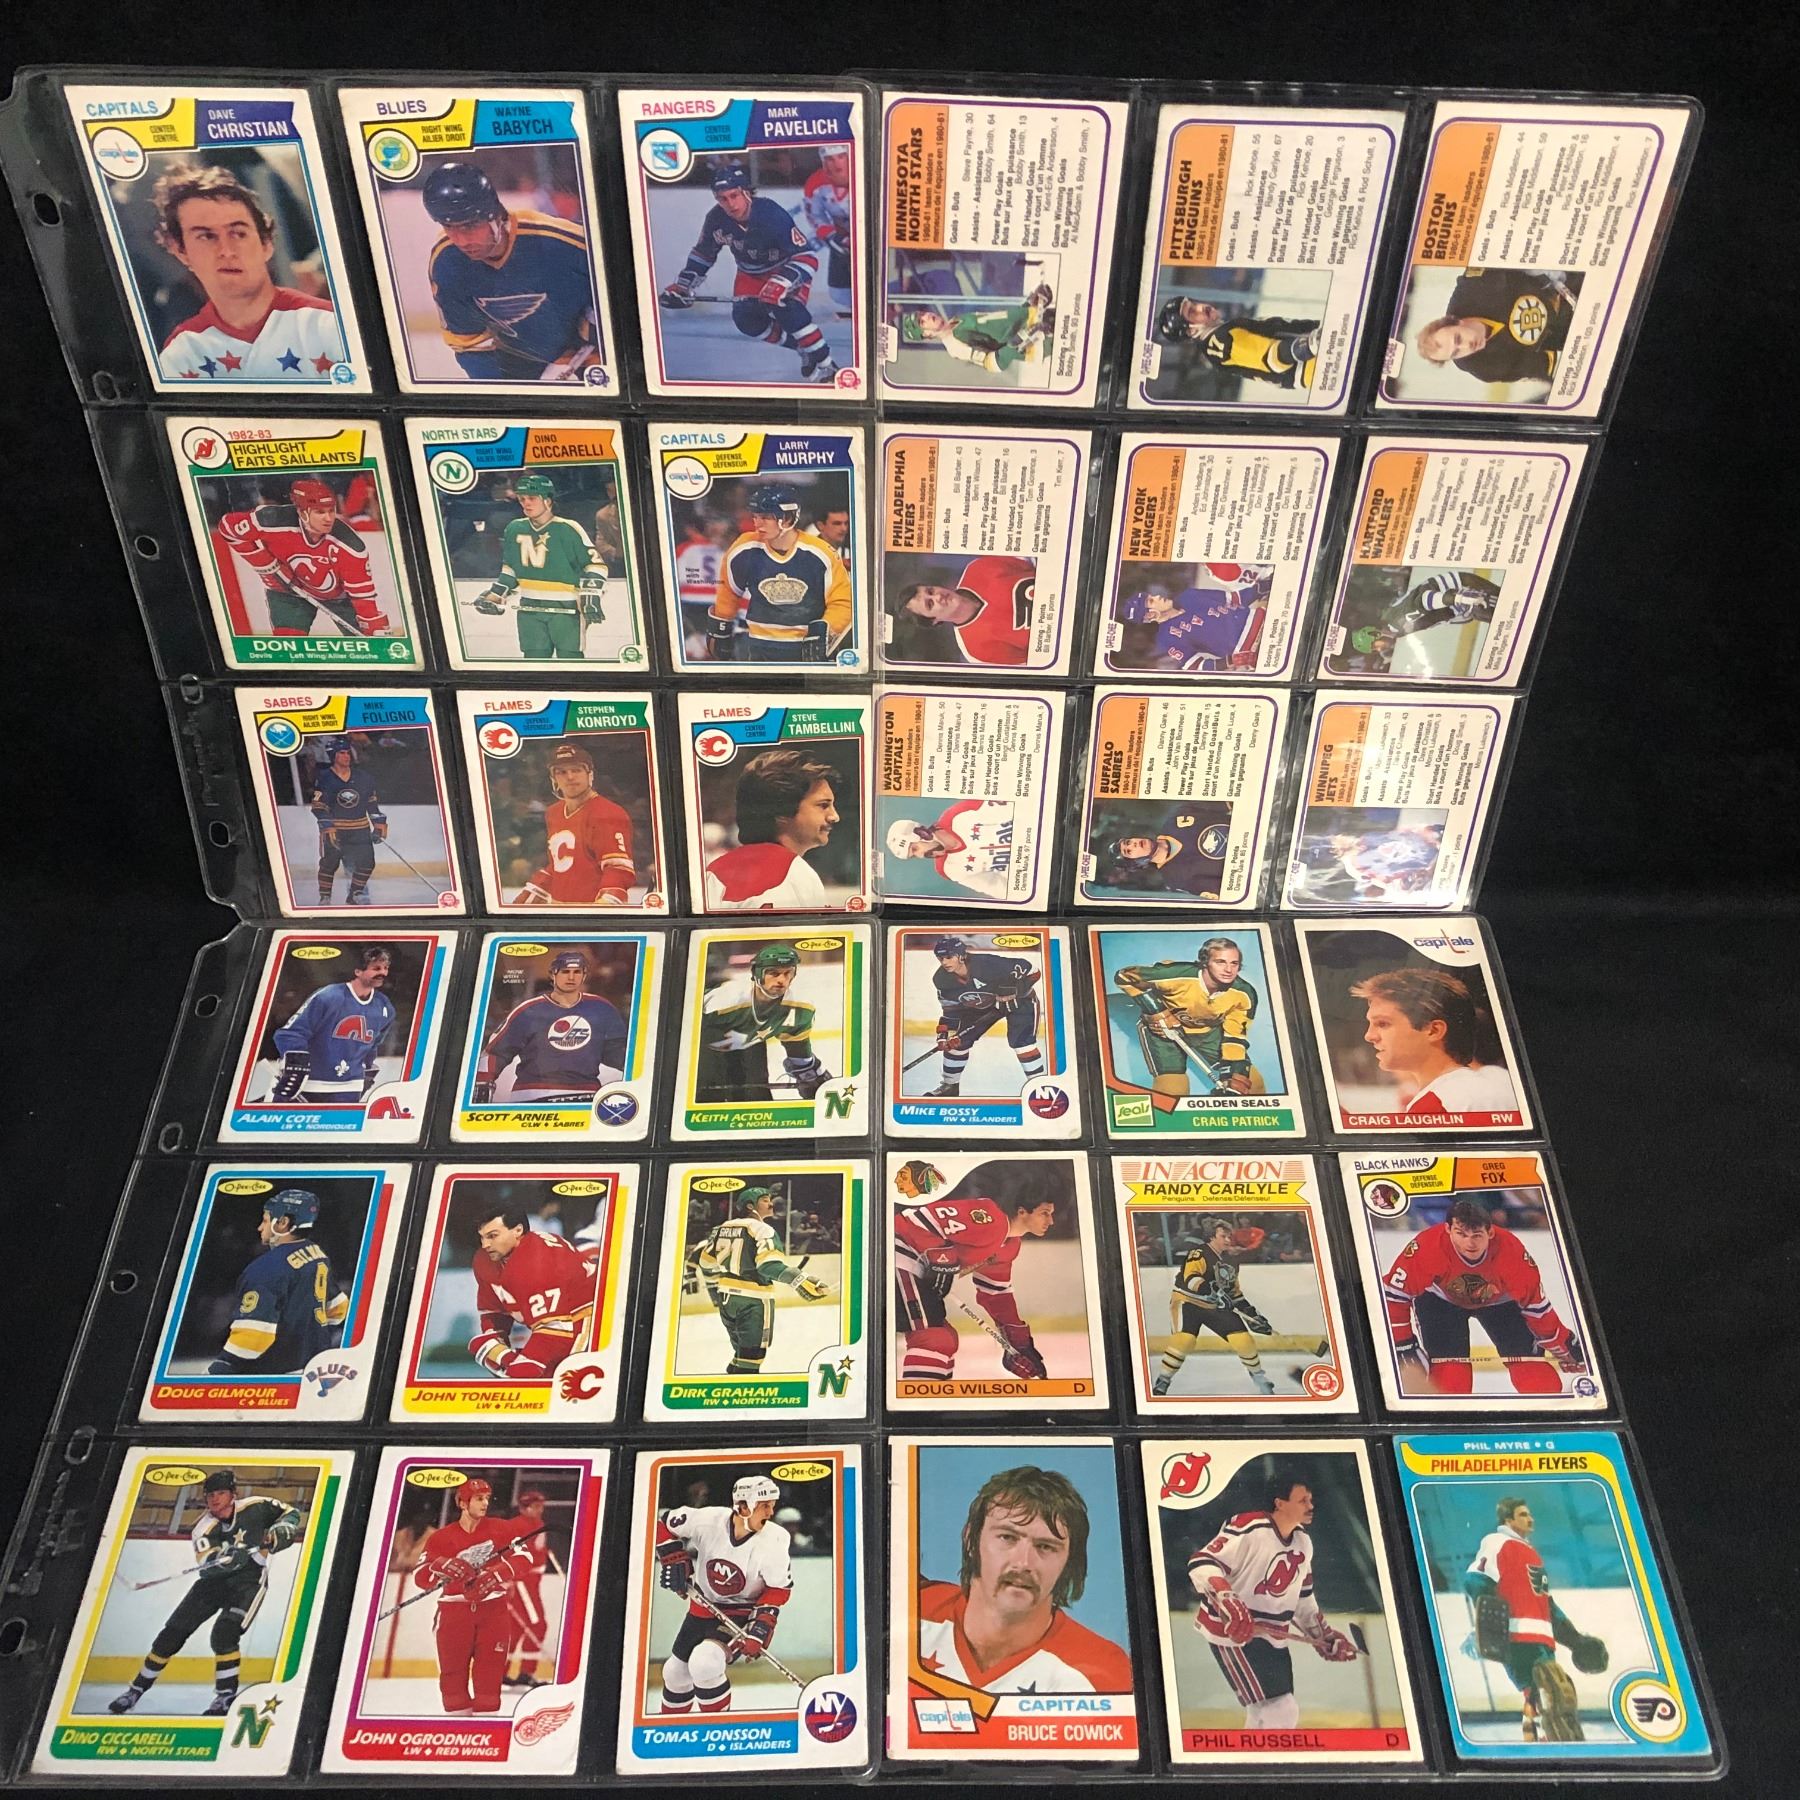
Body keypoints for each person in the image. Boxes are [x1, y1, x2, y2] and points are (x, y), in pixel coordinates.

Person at [916, 1465, 1131, 1694]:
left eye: (1045, 1546)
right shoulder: (910, 1611)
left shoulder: (1102, 1673)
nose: (1023, 1563)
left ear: (1069, 1562)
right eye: (1007, 1537)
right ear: (971, 1540)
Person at [108, 1471, 303, 1716]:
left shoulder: (256, 1506)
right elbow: (208, 1562)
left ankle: (225, 1697)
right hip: (212, 1583)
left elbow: (290, 1512)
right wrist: (226, 1558)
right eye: (210, 1495)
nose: (215, 1499)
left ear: (233, 1494)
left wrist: (284, 1528)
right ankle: (135, 1691)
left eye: (221, 1493)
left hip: (249, 1581)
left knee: (224, 1634)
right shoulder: (203, 1527)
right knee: (170, 1635)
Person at [1185, 1471, 1359, 1729]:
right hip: (1234, 1632)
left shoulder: (1303, 1542)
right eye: (1303, 1500)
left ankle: (1253, 1755)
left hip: (1272, 1636)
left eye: (1311, 1500)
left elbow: (1303, 1598)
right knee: (1279, 1710)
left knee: (1274, 1712)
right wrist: (1227, 1597)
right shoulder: (1250, 1527)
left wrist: (1323, 1635)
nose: (1311, 1506)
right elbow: (1202, 1562)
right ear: (1280, 1503)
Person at [149, 162, 344, 382]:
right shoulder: (183, 354)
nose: (226, 250)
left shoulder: (327, 326)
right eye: (206, 236)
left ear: (266, 244)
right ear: (181, 251)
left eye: (238, 233)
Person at [1382, 1197, 1585, 1395]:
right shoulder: (1428, 1247)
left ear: (1490, 1232)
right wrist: (1403, 1344)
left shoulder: (1510, 1251)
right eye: (1461, 1234)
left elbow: (1536, 1306)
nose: (1470, 1243)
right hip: (1440, 1302)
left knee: (1539, 1380)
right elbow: (1394, 1296)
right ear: (1447, 1229)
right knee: (1450, 1383)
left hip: (1501, 1303)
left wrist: (1562, 1344)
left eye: (1477, 1235)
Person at [421, 160, 598, 382]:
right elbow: (470, 345)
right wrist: (506, 392)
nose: (462, 241)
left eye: (470, 226)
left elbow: (621, 285)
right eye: (449, 227)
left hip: (588, 352)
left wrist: (601, 342)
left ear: (495, 215)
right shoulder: (447, 263)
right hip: (518, 359)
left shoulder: (564, 242)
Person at [659, 164, 838, 383]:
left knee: (787, 310)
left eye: (734, 195)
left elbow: (806, 256)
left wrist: (781, 282)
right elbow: (703, 254)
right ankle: (803, 348)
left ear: (746, 192)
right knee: (746, 320)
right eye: (722, 198)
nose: (730, 204)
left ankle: (828, 366)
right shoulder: (716, 219)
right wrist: (683, 285)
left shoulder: (770, 213)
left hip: (783, 268)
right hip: (749, 274)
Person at [1464, 1496, 1608, 1740]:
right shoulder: (1497, 1542)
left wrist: (1574, 1639)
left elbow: (1546, 1603)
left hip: (1543, 1640)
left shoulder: (1531, 1553)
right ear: (1508, 1520)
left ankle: (1540, 1742)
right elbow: (1475, 1579)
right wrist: (1487, 1624)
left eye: (1530, 1514)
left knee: (1555, 1695)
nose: (1530, 1519)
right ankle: (1544, 1742)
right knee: (1547, 1695)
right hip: (1517, 1637)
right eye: (1523, 1514)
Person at [892, 1175, 1053, 1385]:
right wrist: (941, 1255)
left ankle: (932, 1397)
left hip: (914, 1269)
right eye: (1044, 1213)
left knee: (946, 1340)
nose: (1050, 1221)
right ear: (1022, 1211)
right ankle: (917, 1401)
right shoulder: (988, 1216)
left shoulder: (1009, 1245)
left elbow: (996, 1293)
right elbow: (914, 1220)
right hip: (897, 1257)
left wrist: (1019, 1343)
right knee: (933, 1340)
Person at [654, 1474, 795, 1714]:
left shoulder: (775, 1539)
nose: (771, 1512)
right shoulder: (708, 1520)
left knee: (705, 1663)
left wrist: (761, 1626)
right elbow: (663, 1523)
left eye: (772, 1505)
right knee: (675, 1674)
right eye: (764, 1506)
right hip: (702, 1608)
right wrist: (672, 1556)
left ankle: (714, 1728)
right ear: (743, 1507)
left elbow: (778, 1589)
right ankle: (671, 1729)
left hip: (740, 1614)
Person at [414, 1477, 536, 1714]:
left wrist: (495, 1575)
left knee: (489, 1680)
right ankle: (459, 1731)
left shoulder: (502, 1528)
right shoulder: (440, 1537)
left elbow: (525, 1557)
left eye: (487, 1498)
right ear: (462, 1503)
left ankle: (484, 1730)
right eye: (479, 1499)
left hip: (493, 1611)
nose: (485, 1503)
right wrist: (439, 1565)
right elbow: (420, 1577)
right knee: (452, 1682)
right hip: (454, 1613)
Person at [217, 477, 388, 639]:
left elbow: (362, 597)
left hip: (341, 598)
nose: (328, 518)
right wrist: (266, 564)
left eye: (331, 510)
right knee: (289, 648)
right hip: (288, 591)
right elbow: (227, 527)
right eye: (320, 512)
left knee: (366, 647)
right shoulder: (271, 520)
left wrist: (373, 627)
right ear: (302, 512)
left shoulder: (350, 546)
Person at [692, 1185, 832, 1377]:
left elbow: (706, 1263)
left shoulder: (722, 1227)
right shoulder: (763, 1229)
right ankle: (744, 1395)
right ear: (750, 1206)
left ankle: (730, 1387)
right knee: (752, 1358)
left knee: (741, 1355)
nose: (771, 1204)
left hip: (727, 1301)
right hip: (753, 1301)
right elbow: (768, 1267)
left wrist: (715, 1290)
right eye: (765, 1200)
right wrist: (799, 1279)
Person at [206, 1186, 346, 1376]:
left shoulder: (266, 1268)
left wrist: (217, 1369)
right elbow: (338, 1310)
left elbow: (252, 1341)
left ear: (283, 1223)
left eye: (265, 1220)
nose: (260, 1227)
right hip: (316, 1369)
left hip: (279, 1376)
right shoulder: (317, 1253)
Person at [1350, 966, 1519, 1118]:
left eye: (1382, 1024)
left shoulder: (1436, 1104)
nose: (1369, 1036)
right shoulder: (1496, 1088)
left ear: (1434, 1030)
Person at [709, 484, 852, 662]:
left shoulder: (821, 553)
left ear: (787, 519)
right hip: (758, 647)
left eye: (765, 517)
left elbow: (842, 602)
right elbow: (729, 591)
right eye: (755, 517)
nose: (757, 524)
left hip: (805, 648)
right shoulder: (744, 548)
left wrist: (826, 629)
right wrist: (722, 622)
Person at [472, 473, 608, 660]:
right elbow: (511, 569)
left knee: (570, 660)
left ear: (548, 501)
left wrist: (591, 596)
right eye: (522, 499)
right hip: (529, 607)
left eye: (532, 498)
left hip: (566, 607)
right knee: (534, 660)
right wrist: (496, 595)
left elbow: (595, 565)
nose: (526, 504)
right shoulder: (514, 528)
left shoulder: (568, 528)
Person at [1113, 935, 1263, 1102]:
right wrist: (1156, 1011)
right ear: (1205, 962)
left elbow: (1235, 1036)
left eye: (1234, 963)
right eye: (1220, 962)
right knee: (1172, 1089)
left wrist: (1235, 1071)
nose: (1228, 969)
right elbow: (1124, 976)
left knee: (1252, 1084)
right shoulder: (1174, 975)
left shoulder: (1244, 994)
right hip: (1164, 1030)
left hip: (1209, 1032)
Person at [1154, 1218, 1287, 1397]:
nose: (1228, 1240)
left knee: (1244, 1340)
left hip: (1216, 1305)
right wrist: (1211, 1290)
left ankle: (1259, 1377)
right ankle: (1163, 1379)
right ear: (1211, 1237)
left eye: (1229, 1236)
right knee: (1184, 1341)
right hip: (1188, 1302)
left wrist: (1253, 1316)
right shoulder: (1199, 1253)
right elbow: (1191, 1278)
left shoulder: (1232, 1261)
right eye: (1223, 1236)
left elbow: (1234, 1293)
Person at [474, 948, 627, 1103]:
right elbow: (496, 1052)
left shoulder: (601, 1008)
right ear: (553, 974)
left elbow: (619, 1053)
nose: (571, 977)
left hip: (586, 1096)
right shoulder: (528, 1010)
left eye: (577, 972)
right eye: (565, 972)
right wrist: (482, 1082)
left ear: (584, 975)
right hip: (533, 1096)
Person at [467, 1204, 600, 1380]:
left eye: (492, 1236)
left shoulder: (537, 1259)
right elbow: (494, 1314)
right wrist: (507, 1356)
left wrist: (524, 1366)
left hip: (589, 1318)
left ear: (518, 1230)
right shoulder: (485, 1260)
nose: (485, 1245)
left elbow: (556, 1331)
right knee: (483, 1345)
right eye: (482, 1237)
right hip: (557, 1325)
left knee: (561, 1380)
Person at [704, 750, 842, 910]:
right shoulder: (795, 872)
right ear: (782, 809)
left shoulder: (712, 872)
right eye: (823, 805)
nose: (834, 816)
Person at [696, 942, 832, 1104]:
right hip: (701, 1051)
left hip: (748, 1046)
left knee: (756, 1099)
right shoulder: (723, 1003)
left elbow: (799, 1051)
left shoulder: (800, 1009)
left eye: (787, 973)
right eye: (774, 973)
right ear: (757, 973)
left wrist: (811, 1075)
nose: (782, 980)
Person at [1414, 269, 1582, 393]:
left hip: (1563, 282)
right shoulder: (1484, 368)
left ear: (1455, 321)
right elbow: (1546, 367)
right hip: (1566, 331)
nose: (1467, 346)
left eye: (1458, 339)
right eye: (1456, 353)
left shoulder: (1473, 286)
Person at [268, 941, 395, 1103]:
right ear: (358, 971)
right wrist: (296, 1064)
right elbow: (290, 1033)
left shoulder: (384, 1007)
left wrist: (367, 1069)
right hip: (308, 1085)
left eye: (385, 968)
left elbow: (373, 1045)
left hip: (349, 1088)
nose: (383, 973)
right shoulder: (329, 996)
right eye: (376, 968)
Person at [919, 935, 1043, 1098]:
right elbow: (950, 1010)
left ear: (961, 956)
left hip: (1020, 1002)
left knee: (1022, 1044)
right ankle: (949, 1086)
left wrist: (1015, 992)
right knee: (957, 1043)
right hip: (982, 1005)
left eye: (949, 957)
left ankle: (1040, 1089)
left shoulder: (988, 964)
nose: (944, 962)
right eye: (940, 958)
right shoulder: (941, 979)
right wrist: (944, 1035)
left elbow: (1034, 971)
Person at [514, 741, 636, 905]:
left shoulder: (608, 813)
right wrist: (528, 898)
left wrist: (603, 909)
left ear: (589, 774)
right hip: (559, 909)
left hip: (589, 910)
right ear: (554, 778)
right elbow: (560, 866)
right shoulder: (554, 813)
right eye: (562, 772)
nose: (570, 777)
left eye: (576, 770)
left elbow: (618, 869)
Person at [886, 555, 1035, 666]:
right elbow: (1036, 664)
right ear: (933, 621)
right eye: (930, 604)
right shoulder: (976, 651)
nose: (938, 596)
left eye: (930, 591)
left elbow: (1035, 560)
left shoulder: (977, 568)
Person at [1113, 570, 1268, 672]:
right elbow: (1197, 665)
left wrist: (1263, 586)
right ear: (1150, 616)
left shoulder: (1189, 595)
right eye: (1152, 601)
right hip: (1252, 646)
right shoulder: (1167, 639)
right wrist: (1230, 661)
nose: (1158, 596)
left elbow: (1236, 599)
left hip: (1262, 616)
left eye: (1151, 596)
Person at [1154, 297, 1319, 392]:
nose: (1200, 307)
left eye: (1193, 303)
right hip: (1312, 364)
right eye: (1192, 312)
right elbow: (1273, 359)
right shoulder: (1221, 340)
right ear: (1191, 331)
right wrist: (1310, 344)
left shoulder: (1221, 332)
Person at [307, 739, 388, 908]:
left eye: (348, 752)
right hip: (335, 830)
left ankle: (354, 895)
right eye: (342, 753)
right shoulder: (324, 778)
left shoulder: (364, 777)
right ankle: (325, 897)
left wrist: (379, 823)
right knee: (329, 864)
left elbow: (371, 804)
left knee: (367, 863)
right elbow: (319, 806)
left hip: (360, 829)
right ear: (333, 756)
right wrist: (327, 825)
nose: (347, 756)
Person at [885, 802, 1016, 902]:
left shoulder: (958, 815)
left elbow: (1016, 809)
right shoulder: (948, 870)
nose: (920, 856)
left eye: (915, 849)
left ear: (922, 833)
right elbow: (1000, 889)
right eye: (914, 856)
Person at [902, 289, 1053, 376]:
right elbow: (991, 363)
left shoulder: (957, 319)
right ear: (927, 335)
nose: (927, 316)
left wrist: (1027, 304)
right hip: (1037, 342)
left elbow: (1001, 321)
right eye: (922, 322)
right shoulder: (954, 346)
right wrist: (1016, 342)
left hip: (1034, 317)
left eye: (923, 314)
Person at [1099, 816, 1228, 896]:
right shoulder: (1175, 880)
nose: (1134, 844)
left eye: (1128, 842)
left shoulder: (1175, 820)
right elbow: (1224, 890)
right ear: (1137, 863)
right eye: (1129, 851)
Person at [502, 1489, 551, 1689]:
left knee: (515, 1629)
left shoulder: (537, 1524)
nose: (540, 1510)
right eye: (535, 1506)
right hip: (523, 1582)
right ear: (524, 1508)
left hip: (531, 1581)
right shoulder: (518, 1526)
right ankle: (526, 1672)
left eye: (541, 1506)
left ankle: (499, 1672)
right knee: (538, 1625)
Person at [801, 145, 854, 313]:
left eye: (841, 157)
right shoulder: (815, 182)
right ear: (823, 162)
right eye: (830, 159)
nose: (836, 163)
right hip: (841, 235)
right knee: (839, 293)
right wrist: (831, 236)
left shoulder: (863, 174)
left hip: (869, 234)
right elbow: (815, 215)